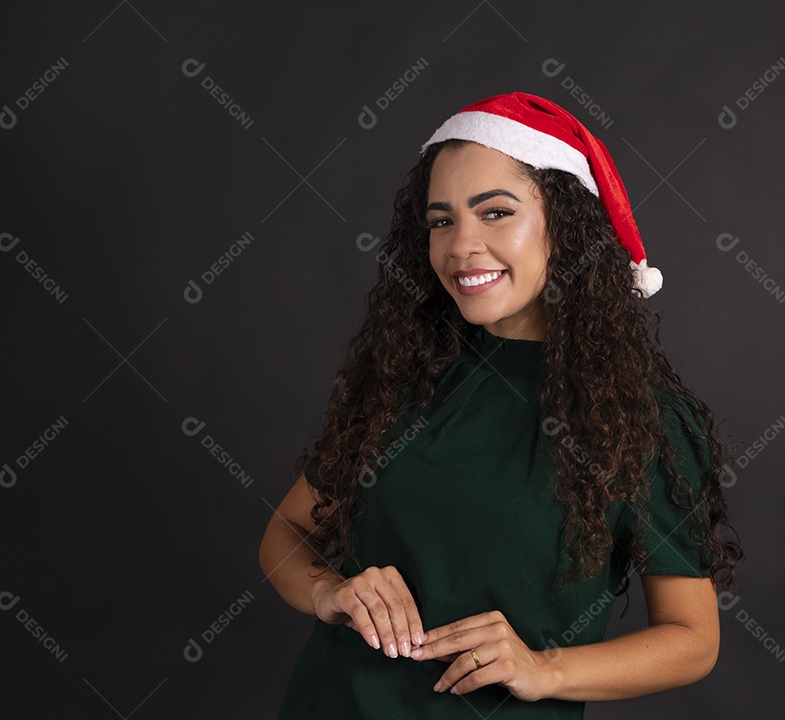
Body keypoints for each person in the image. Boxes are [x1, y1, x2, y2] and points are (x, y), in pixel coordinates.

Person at [259, 91, 742, 719]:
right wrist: (330, 592)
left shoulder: (637, 420)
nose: (461, 246)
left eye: (495, 213)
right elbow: (288, 531)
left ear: (565, 227)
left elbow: (692, 641)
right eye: (441, 221)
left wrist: (545, 668)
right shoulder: (405, 379)